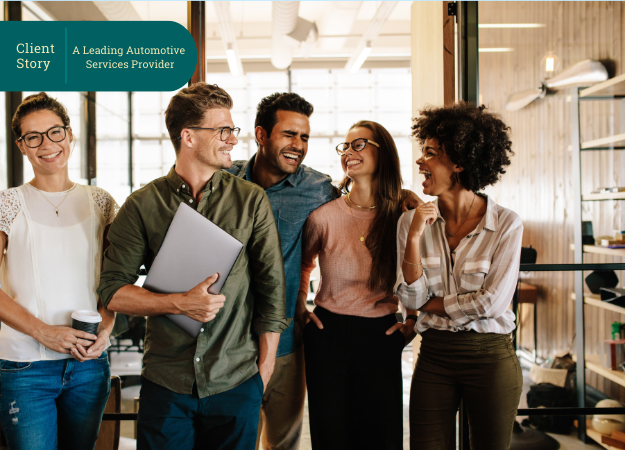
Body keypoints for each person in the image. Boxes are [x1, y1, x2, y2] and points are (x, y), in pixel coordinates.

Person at [97, 83, 289, 450]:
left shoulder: (251, 201)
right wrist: (178, 303)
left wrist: (262, 374)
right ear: (188, 136)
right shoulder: (141, 205)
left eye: (232, 129)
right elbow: (113, 291)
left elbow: (272, 292)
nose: (233, 139)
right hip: (166, 382)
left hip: (236, 379)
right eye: (223, 130)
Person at [225, 94, 422, 450]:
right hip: (231, 338)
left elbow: (418, 269)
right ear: (261, 135)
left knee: (302, 438)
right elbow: (307, 260)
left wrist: (414, 318)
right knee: (239, 438)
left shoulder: (318, 190)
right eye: (289, 134)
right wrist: (303, 302)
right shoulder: (224, 182)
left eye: (304, 137)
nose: (298, 145)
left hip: (296, 338)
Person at [395, 102, 523, 449]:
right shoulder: (411, 222)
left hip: (491, 357)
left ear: (461, 163)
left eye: (431, 153)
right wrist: (415, 236)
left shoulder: (506, 224)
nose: (421, 161)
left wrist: (429, 304)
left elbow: (493, 304)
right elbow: (408, 299)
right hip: (434, 355)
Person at [0, 93, 117, 450]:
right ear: (21, 146)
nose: (46, 144)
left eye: (54, 132)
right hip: (23, 367)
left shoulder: (102, 202)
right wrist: (43, 332)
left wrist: (105, 327)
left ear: (69, 136)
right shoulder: (8, 203)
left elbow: (117, 280)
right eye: (32, 137)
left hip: (88, 365)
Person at [297, 121, 417, 450]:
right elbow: (304, 266)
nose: (349, 152)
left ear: (384, 153)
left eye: (359, 144)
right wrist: (300, 310)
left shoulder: (403, 213)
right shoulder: (323, 217)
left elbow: (423, 274)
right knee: (331, 435)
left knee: (383, 434)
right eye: (345, 147)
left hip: (381, 335)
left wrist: (414, 320)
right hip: (328, 333)